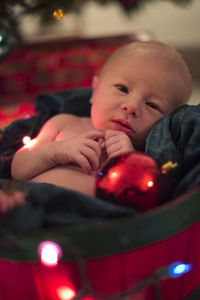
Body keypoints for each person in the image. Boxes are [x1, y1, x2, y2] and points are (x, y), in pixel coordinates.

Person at [11, 40, 192, 197]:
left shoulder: (144, 157)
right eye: (122, 88)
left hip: (88, 224)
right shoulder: (64, 123)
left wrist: (127, 161)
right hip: (29, 205)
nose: (132, 107)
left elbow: (146, 200)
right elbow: (18, 169)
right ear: (95, 90)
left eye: (152, 105)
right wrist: (55, 152)